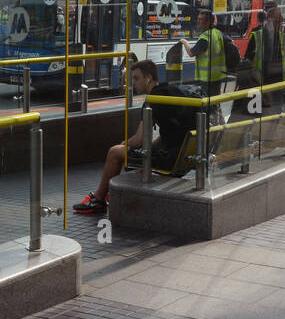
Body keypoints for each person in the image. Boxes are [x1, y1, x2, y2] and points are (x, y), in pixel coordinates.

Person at [72, 59, 195, 214]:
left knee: (114, 152)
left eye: (136, 78)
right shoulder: (170, 91)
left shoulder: (153, 99)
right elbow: (170, 133)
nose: (133, 83)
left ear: (148, 78)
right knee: (134, 154)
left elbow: (138, 140)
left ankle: (98, 199)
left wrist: (124, 144)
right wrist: (149, 144)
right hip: (186, 157)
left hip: (171, 160)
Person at [245, 1, 285, 107]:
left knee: (276, 115)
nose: (280, 23)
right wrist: (264, 87)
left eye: (280, 20)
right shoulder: (256, 37)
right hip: (259, 85)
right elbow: (250, 65)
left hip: (278, 85)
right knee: (261, 118)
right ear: (268, 20)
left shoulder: (283, 37)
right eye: (277, 20)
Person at [181, 8, 228, 98]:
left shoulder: (205, 37)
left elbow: (191, 53)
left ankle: (212, 112)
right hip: (217, 74)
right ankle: (217, 112)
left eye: (200, 19)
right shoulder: (217, 33)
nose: (198, 21)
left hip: (207, 76)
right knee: (215, 99)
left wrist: (184, 42)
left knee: (207, 101)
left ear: (208, 22)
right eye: (198, 19)